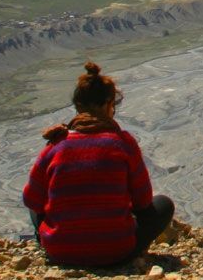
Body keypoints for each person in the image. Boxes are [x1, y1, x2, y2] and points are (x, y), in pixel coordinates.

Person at [22, 61, 175, 267]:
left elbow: (31, 200)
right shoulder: (122, 143)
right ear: (107, 104)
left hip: (60, 252)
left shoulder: (56, 144)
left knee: (39, 201)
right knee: (163, 205)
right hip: (116, 251)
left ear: (77, 107)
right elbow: (143, 202)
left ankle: (55, 241)